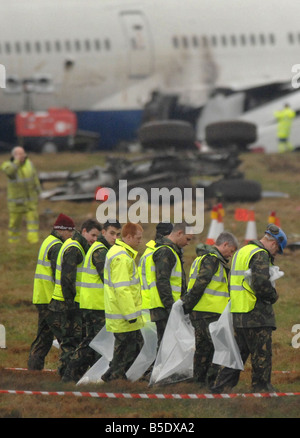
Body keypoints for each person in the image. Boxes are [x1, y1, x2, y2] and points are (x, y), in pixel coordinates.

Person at [212, 224, 287, 393]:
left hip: (239, 312)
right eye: (277, 251)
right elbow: (260, 284)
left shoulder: (241, 252)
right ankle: (262, 388)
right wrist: (273, 296)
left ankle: (221, 387)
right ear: (274, 244)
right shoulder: (260, 254)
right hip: (256, 314)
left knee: (237, 354)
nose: (275, 254)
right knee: (262, 354)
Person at [63, 220, 121, 382]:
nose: (115, 238)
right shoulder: (100, 251)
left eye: (118, 235)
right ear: (104, 232)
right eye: (112, 233)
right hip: (96, 305)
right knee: (92, 342)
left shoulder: (102, 249)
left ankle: (77, 376)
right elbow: (108, 279)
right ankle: (71, 376)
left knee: (92, 342)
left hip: (94, 303)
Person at [182, 232, 238, 387]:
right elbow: (201, 283)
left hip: (200, 311)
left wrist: (188, 305)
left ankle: (199, 383)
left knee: (203, 349)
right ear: (224, 244)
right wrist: (187, 304)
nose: (231, 255)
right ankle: (212, 383)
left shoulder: (201, 258)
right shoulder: (212, 259)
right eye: (231, 250)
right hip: (209, 312)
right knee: (217, 347)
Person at [47, 219, 101, 378]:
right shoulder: (74, 249)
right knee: (70, 343)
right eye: (92, 235)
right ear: (83, 231)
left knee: (71, 342)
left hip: (67, 302)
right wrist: (71, 305)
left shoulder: (78, 246)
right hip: (66, 304)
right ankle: (66, 378)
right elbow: (67, 280)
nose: (94, 239)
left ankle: (66, 376)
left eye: (97, 236)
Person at [28, 213, 75, 370]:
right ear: (62, 230)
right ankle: (68, 371)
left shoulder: (48, 241)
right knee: (65, 337)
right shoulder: (57, 247)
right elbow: (60, 275)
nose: (71, 236)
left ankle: (33, 371)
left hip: (42, 297)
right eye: (70, 232)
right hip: (51, 300)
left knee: (43, 337)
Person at [101, 222, 144, 382]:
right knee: (129, 347)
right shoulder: (121, 257)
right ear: (128, 237)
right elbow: (122, 289)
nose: (140, 241)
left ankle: (112, 374)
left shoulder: (119, 253)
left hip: (121, 313)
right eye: (138, 238)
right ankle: (117, 378)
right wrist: (131, 314)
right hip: (123, 314)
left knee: (125, 346)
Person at [149, 222, 193, 349]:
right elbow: (162, 282)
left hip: (168, 306)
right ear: (179, 233)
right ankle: (160, 369)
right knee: (166, 348)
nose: (188, 243)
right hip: (165, 308)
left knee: (170, 347)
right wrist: (171, 308)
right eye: (187, 239)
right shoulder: (165, 251)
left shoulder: (171, 251)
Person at [0, 146, 41, 244]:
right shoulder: (7, 165)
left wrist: (38, 192)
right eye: (19, 154)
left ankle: (33, 242)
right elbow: (10, 172)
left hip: (30, 201)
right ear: (14, 155)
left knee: (33, 222)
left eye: (23, 153)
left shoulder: (29, 164)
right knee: (14, 224)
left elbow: (34, 178)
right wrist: (17, 161)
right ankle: (13, 243)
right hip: (16, 203)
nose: (22, 155)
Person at [138, 222, 173, 310]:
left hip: (146, 303)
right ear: (168, 235)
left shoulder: (149, 252)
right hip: (152, 305)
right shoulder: (157, 253)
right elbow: (154, 281)